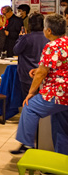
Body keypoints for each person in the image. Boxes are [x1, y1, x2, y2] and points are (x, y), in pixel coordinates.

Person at [11, 14, 68, 155]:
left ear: (49, 30)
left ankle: (27, 143)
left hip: (56, 93)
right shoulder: (66, 42)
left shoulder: (51, 46)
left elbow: (42, 72)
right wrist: (39, 70)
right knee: (61, 129)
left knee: (30, 108)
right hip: (66, 94)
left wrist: (31, 93)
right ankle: (60, 162)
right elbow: (59, 66)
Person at [13, 13, 49, 100]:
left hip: (27, 73)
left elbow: (16, 50)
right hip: (43, 72)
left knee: (28, 100)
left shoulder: (26, 38)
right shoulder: (48, 38)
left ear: (29, 25)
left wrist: (20, 38)